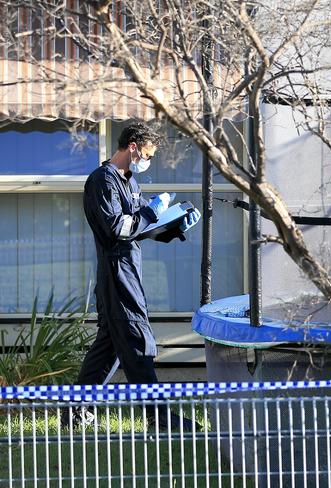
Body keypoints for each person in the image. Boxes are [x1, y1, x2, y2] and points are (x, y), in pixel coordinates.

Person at [64, 123, 201, 429]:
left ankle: (75, 415)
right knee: (138, 341)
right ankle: (159, 417)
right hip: (116, 273)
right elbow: (118, 229)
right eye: (148, 154)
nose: (147, 161)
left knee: (109, 347)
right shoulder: (102, 181)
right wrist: (151, 213)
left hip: (128, 269)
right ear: (134, 146)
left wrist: (176, 224)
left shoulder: (129, 182)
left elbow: (141, 228)